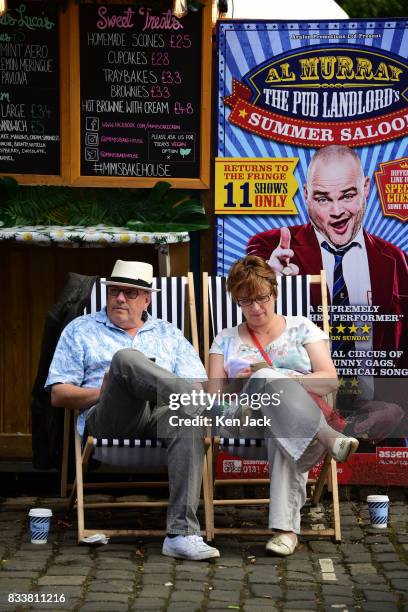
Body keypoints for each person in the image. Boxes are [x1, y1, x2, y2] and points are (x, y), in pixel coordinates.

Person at [46, 260, 220, 561]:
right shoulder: (81, 329)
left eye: (129, 292)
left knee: (185, 415)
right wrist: (104, 389)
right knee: (126, 360)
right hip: (110, 418)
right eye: (114, 291)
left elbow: (196, 384)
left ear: (147, 299)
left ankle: (180, 535)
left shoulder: (168, 333)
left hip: (159, 416)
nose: (120, 299)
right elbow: (59, 394)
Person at [209, 255, 359, 556]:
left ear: (274, 292)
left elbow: (329, 380)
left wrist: (284, 380)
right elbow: (214, 397)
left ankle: (285, 532)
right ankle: (329, 437)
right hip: (244, 419)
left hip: (292, 421)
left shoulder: (302, 328)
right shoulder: (225, 339)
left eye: (262, 298)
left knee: (284, 421)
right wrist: (248, 382)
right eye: (245, 301)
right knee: (265, 377)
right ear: (237, 301)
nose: (256, 308)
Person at [247, 145, 407, 362]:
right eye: (323, 199)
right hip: (302, 392)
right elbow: (243, 320)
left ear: (366, 187)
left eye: (348, 196)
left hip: (379, 395)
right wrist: (268, 281)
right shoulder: (269, 246)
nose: (337, 211)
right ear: (306, 194)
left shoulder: (396, 259)